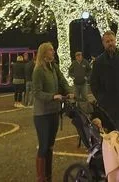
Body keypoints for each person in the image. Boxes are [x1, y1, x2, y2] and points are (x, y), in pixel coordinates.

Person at [31, 41, 71, 182]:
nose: (53, 52)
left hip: (53, 112)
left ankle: (49, 176)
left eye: (53, 50)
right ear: (44, 53)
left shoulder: (54, 67)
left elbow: (63, 81)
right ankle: (41, 177)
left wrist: (69, 92)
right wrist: (52, 96)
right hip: (42, 114)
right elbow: (36, 93)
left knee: (50, 146)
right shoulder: (38, 71)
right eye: (51, 50)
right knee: (43, 146)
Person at [90, 31, 119, 135]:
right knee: (108, 138)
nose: (110, 43)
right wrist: (101, 98)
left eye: (111, 41)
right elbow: (94, 83)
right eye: (107, 41)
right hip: (106, 108)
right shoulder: (98, 62)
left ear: (115, 41)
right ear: (103, 43)